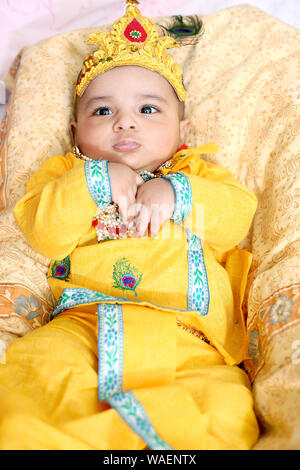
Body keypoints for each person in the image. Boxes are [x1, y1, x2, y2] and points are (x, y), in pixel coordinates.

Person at [0, 1, 259, 450]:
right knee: (34, 375)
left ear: (183, 130)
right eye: (102, 112)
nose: (125, 120)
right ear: (75, 130)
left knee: (223, 412)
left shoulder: (199, 173)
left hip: (192, 337)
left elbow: (236, 218)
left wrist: (178, 191)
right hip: (84, 322)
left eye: (149, 109)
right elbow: (43, 230)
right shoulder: (66, 173)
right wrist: (96, 180)